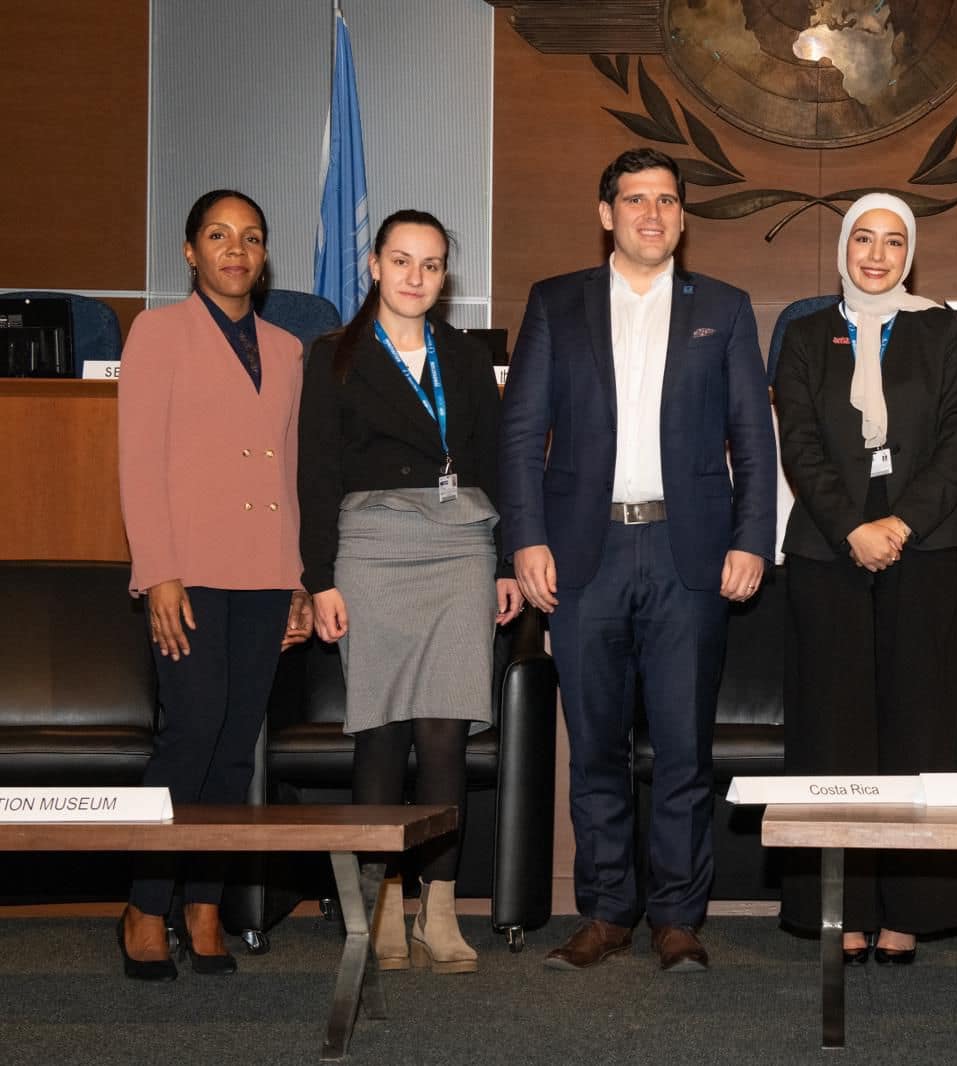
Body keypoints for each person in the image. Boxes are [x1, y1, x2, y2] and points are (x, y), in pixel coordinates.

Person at [499, 147, 777, 973]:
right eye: (634, 199)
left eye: (666, 200)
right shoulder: (557, 304)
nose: (652, 213)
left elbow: (752, 444)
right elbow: (519, 437)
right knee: (595, 747)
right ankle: (608, 908)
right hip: (584, 554)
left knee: (686, 749)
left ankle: (679, 916)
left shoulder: (723, 309)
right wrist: (526, 538)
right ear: (605, 212)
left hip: (690, 555)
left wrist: (751, 538)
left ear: (684, 217)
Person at [297, 210, 522, 976]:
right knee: (381, 729)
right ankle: (381, 899)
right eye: (402, 261)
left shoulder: (464, 357)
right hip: (371, 547)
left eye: (430, 265)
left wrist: (503, 564)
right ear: (373, 264)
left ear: (443, 276)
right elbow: (316, 475)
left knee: (446, 731)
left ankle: (441, 905)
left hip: (461, 545)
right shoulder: (333, 357)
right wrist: (319, 578)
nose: (416, 277)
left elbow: (494, 459)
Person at [774, 193, 957, 963]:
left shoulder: (942, 329)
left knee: (919, 727)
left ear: (910, 252)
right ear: (844, 247)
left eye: (894, 242)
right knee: (834, 731)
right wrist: (852, 527)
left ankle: (912, 913)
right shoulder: (800, 335)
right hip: (830, 553)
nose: (877, 254)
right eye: (864, 238)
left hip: (922, 551)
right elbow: (800, 445)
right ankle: (841, 907)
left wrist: (898, 525)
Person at [117, 188, 313, 980]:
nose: (237, 249)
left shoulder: (289, 348)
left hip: (265, 572)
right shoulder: (157, 333)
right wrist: (157, 571)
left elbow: (292, 469)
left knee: (236, 749)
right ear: (191, 252)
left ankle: (205, 905)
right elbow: (138, 462)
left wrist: (298, 578)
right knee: (191, 734)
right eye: (219, 235)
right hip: (188, 574)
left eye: (253, 237)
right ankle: (145, 902)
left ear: (265, 258)